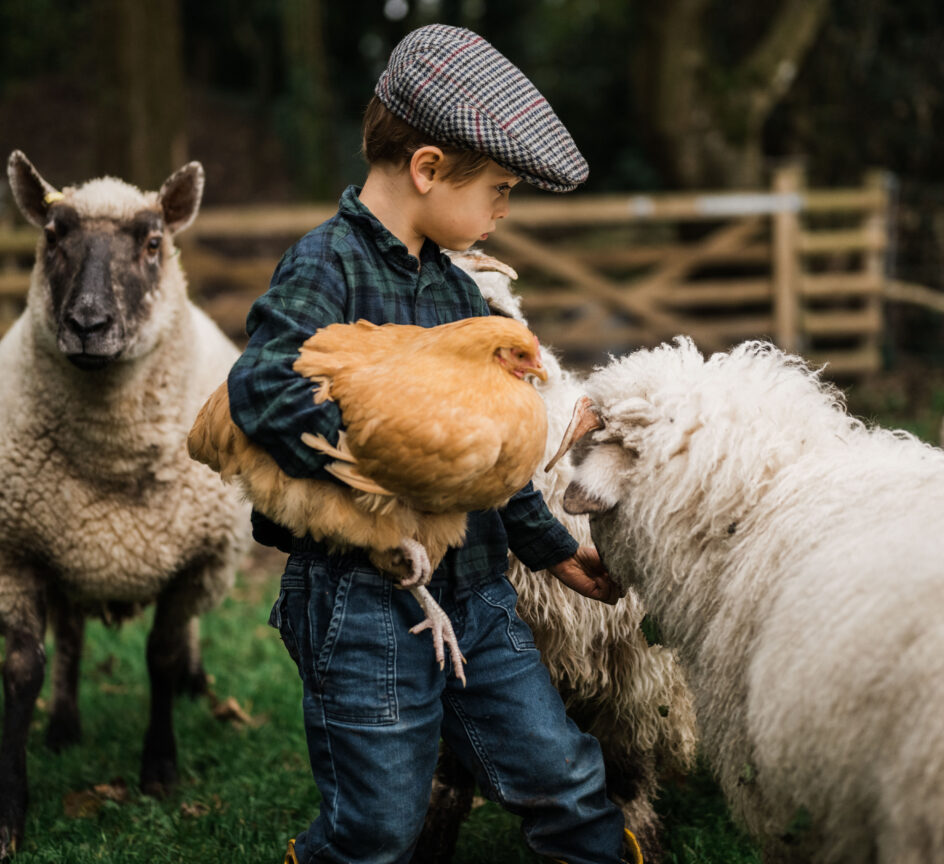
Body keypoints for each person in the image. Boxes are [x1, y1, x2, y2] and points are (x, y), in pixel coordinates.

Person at [226, 24, 641, 864]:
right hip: (362, 597)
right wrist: (383, 459)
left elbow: (490, 455)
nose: (503, 210)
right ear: (426, 168)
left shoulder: (459, 292)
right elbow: (261, 385)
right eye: (498, 189)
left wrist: (555, 551)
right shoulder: (326, 267)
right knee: (380, 824)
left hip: (479, 588)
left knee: (565, 778)